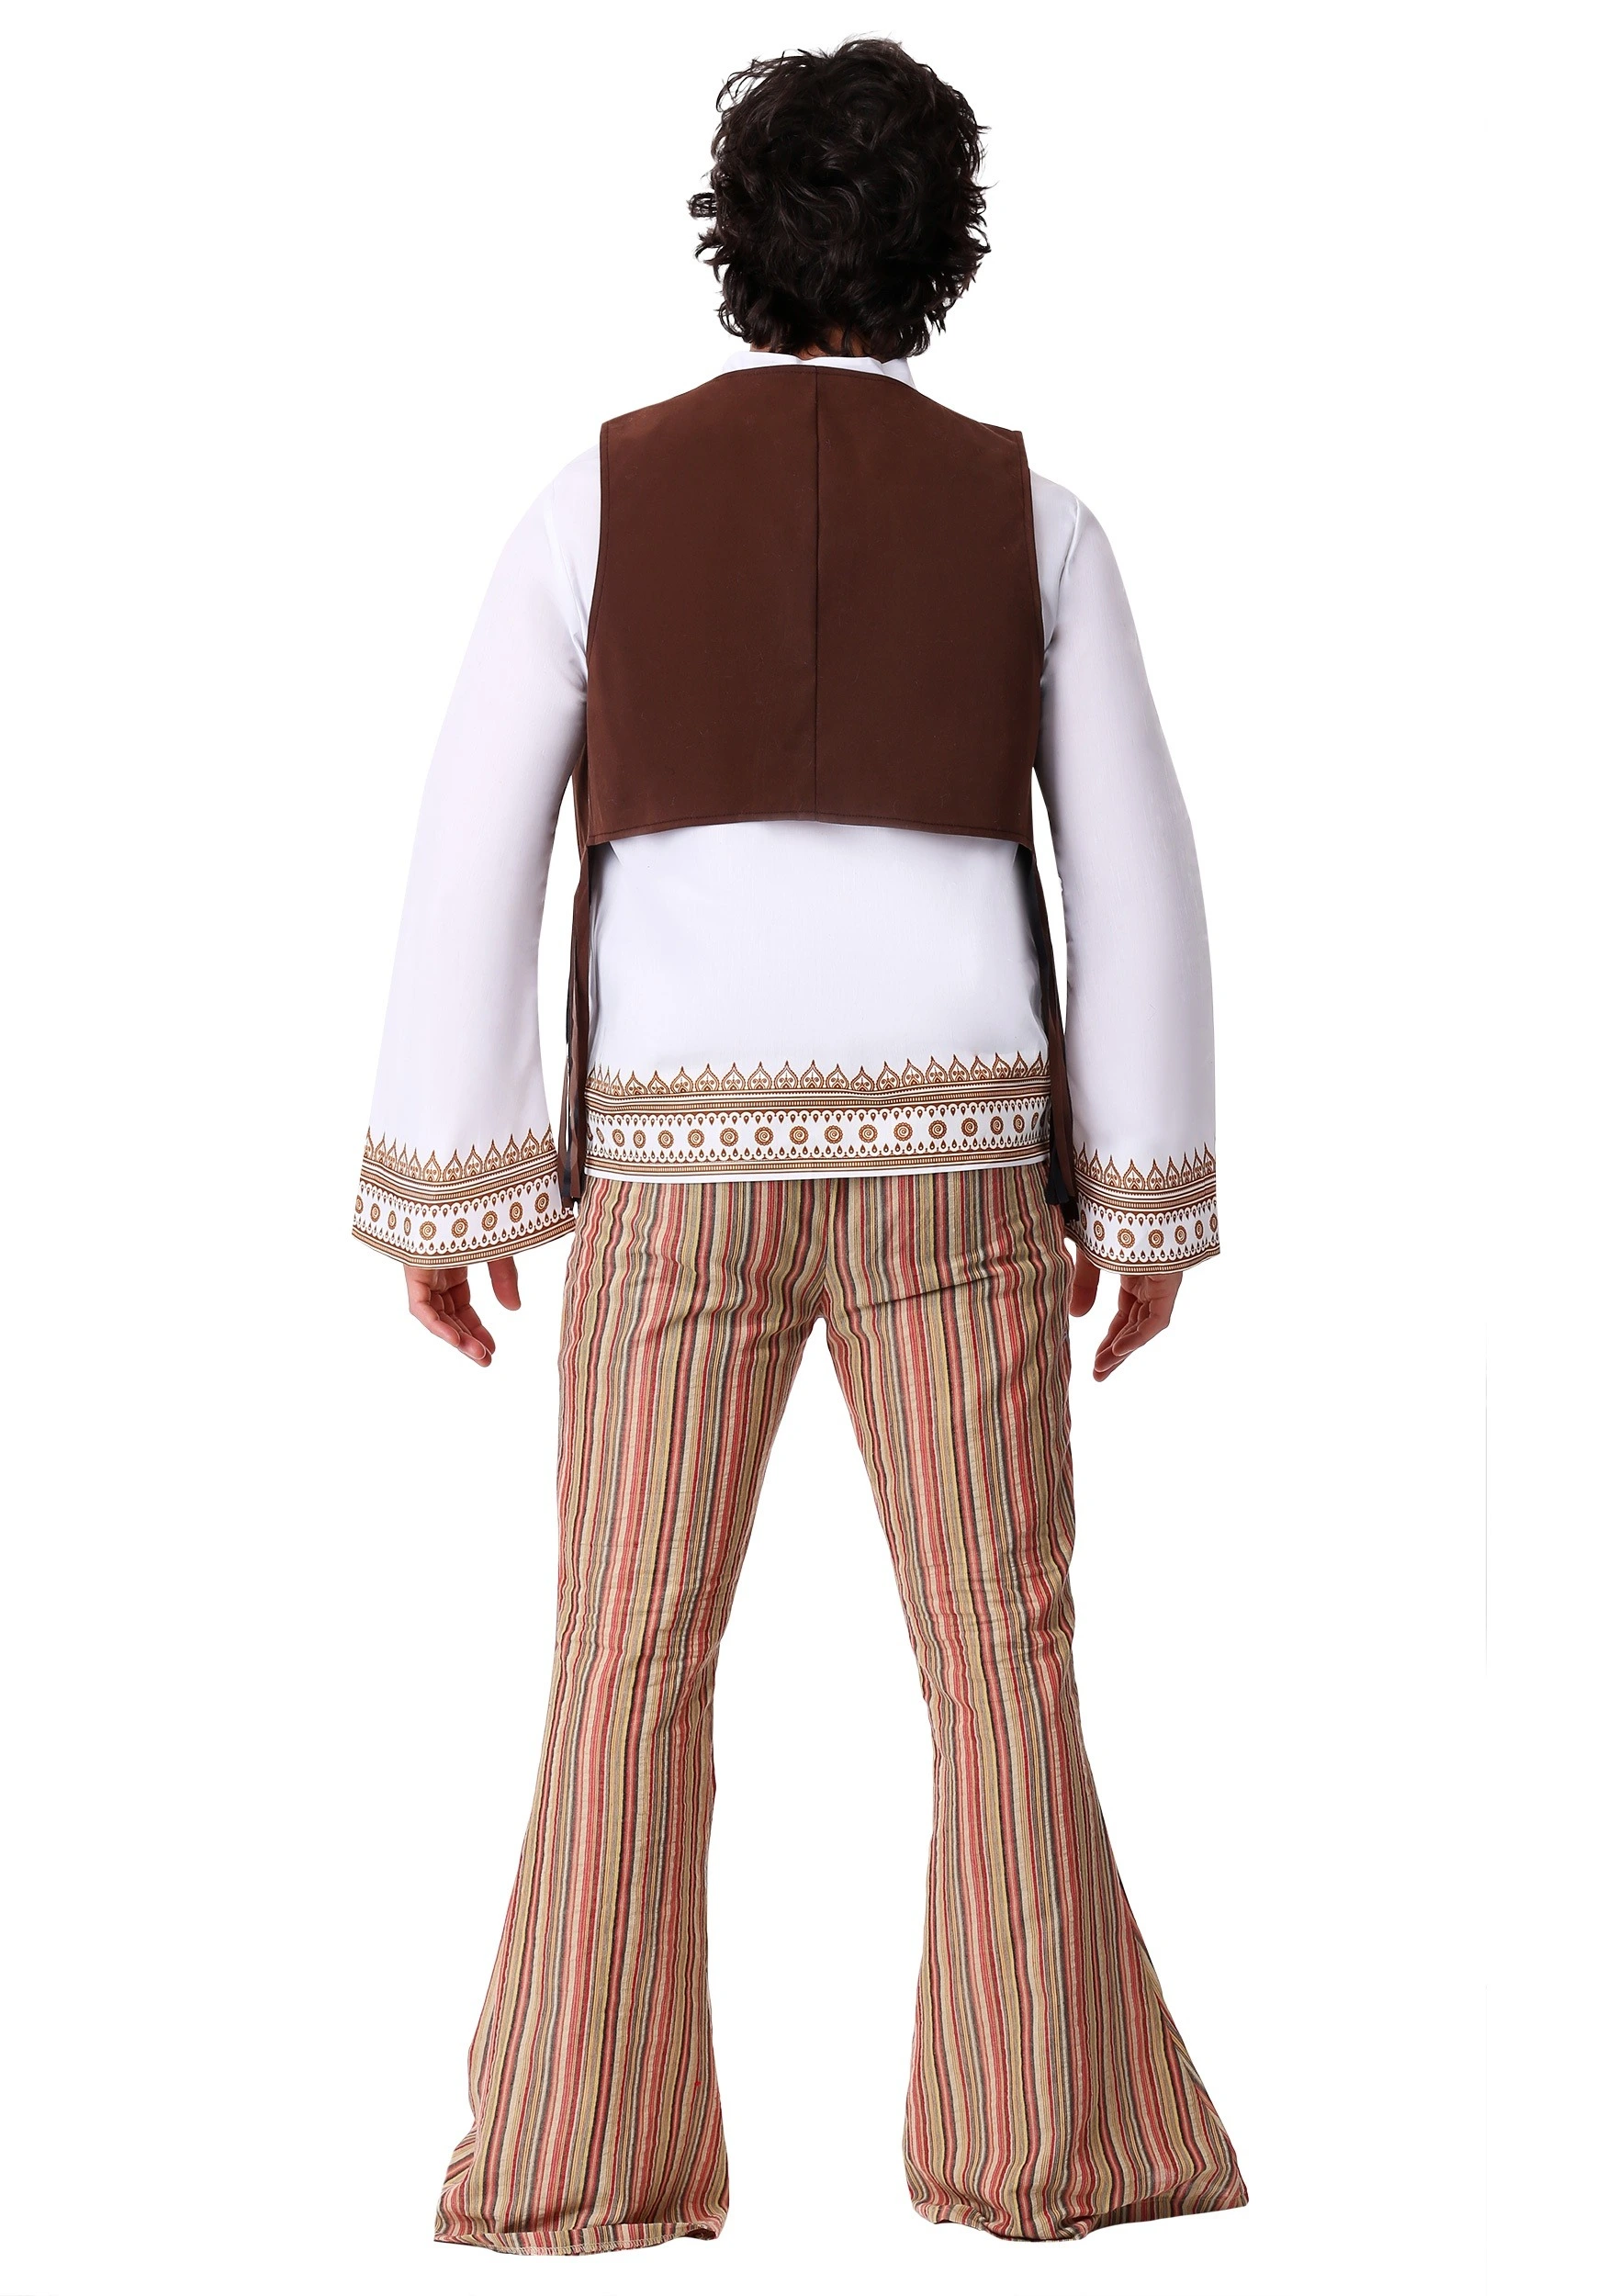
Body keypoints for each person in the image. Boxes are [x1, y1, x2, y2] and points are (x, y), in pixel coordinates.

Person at [354, 36, 1245, 2253]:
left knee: (624, 1661)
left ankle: (578, 2157)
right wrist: (1140, 1193)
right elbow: (1134, 863)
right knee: (1002, 1655)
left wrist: (456, 1182)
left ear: (730, 239)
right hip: (958, 1165)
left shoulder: (594, 497)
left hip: (676, 1178)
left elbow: (469, 842)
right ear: (945, 251)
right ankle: (1045, 2143)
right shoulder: (1035, 518)